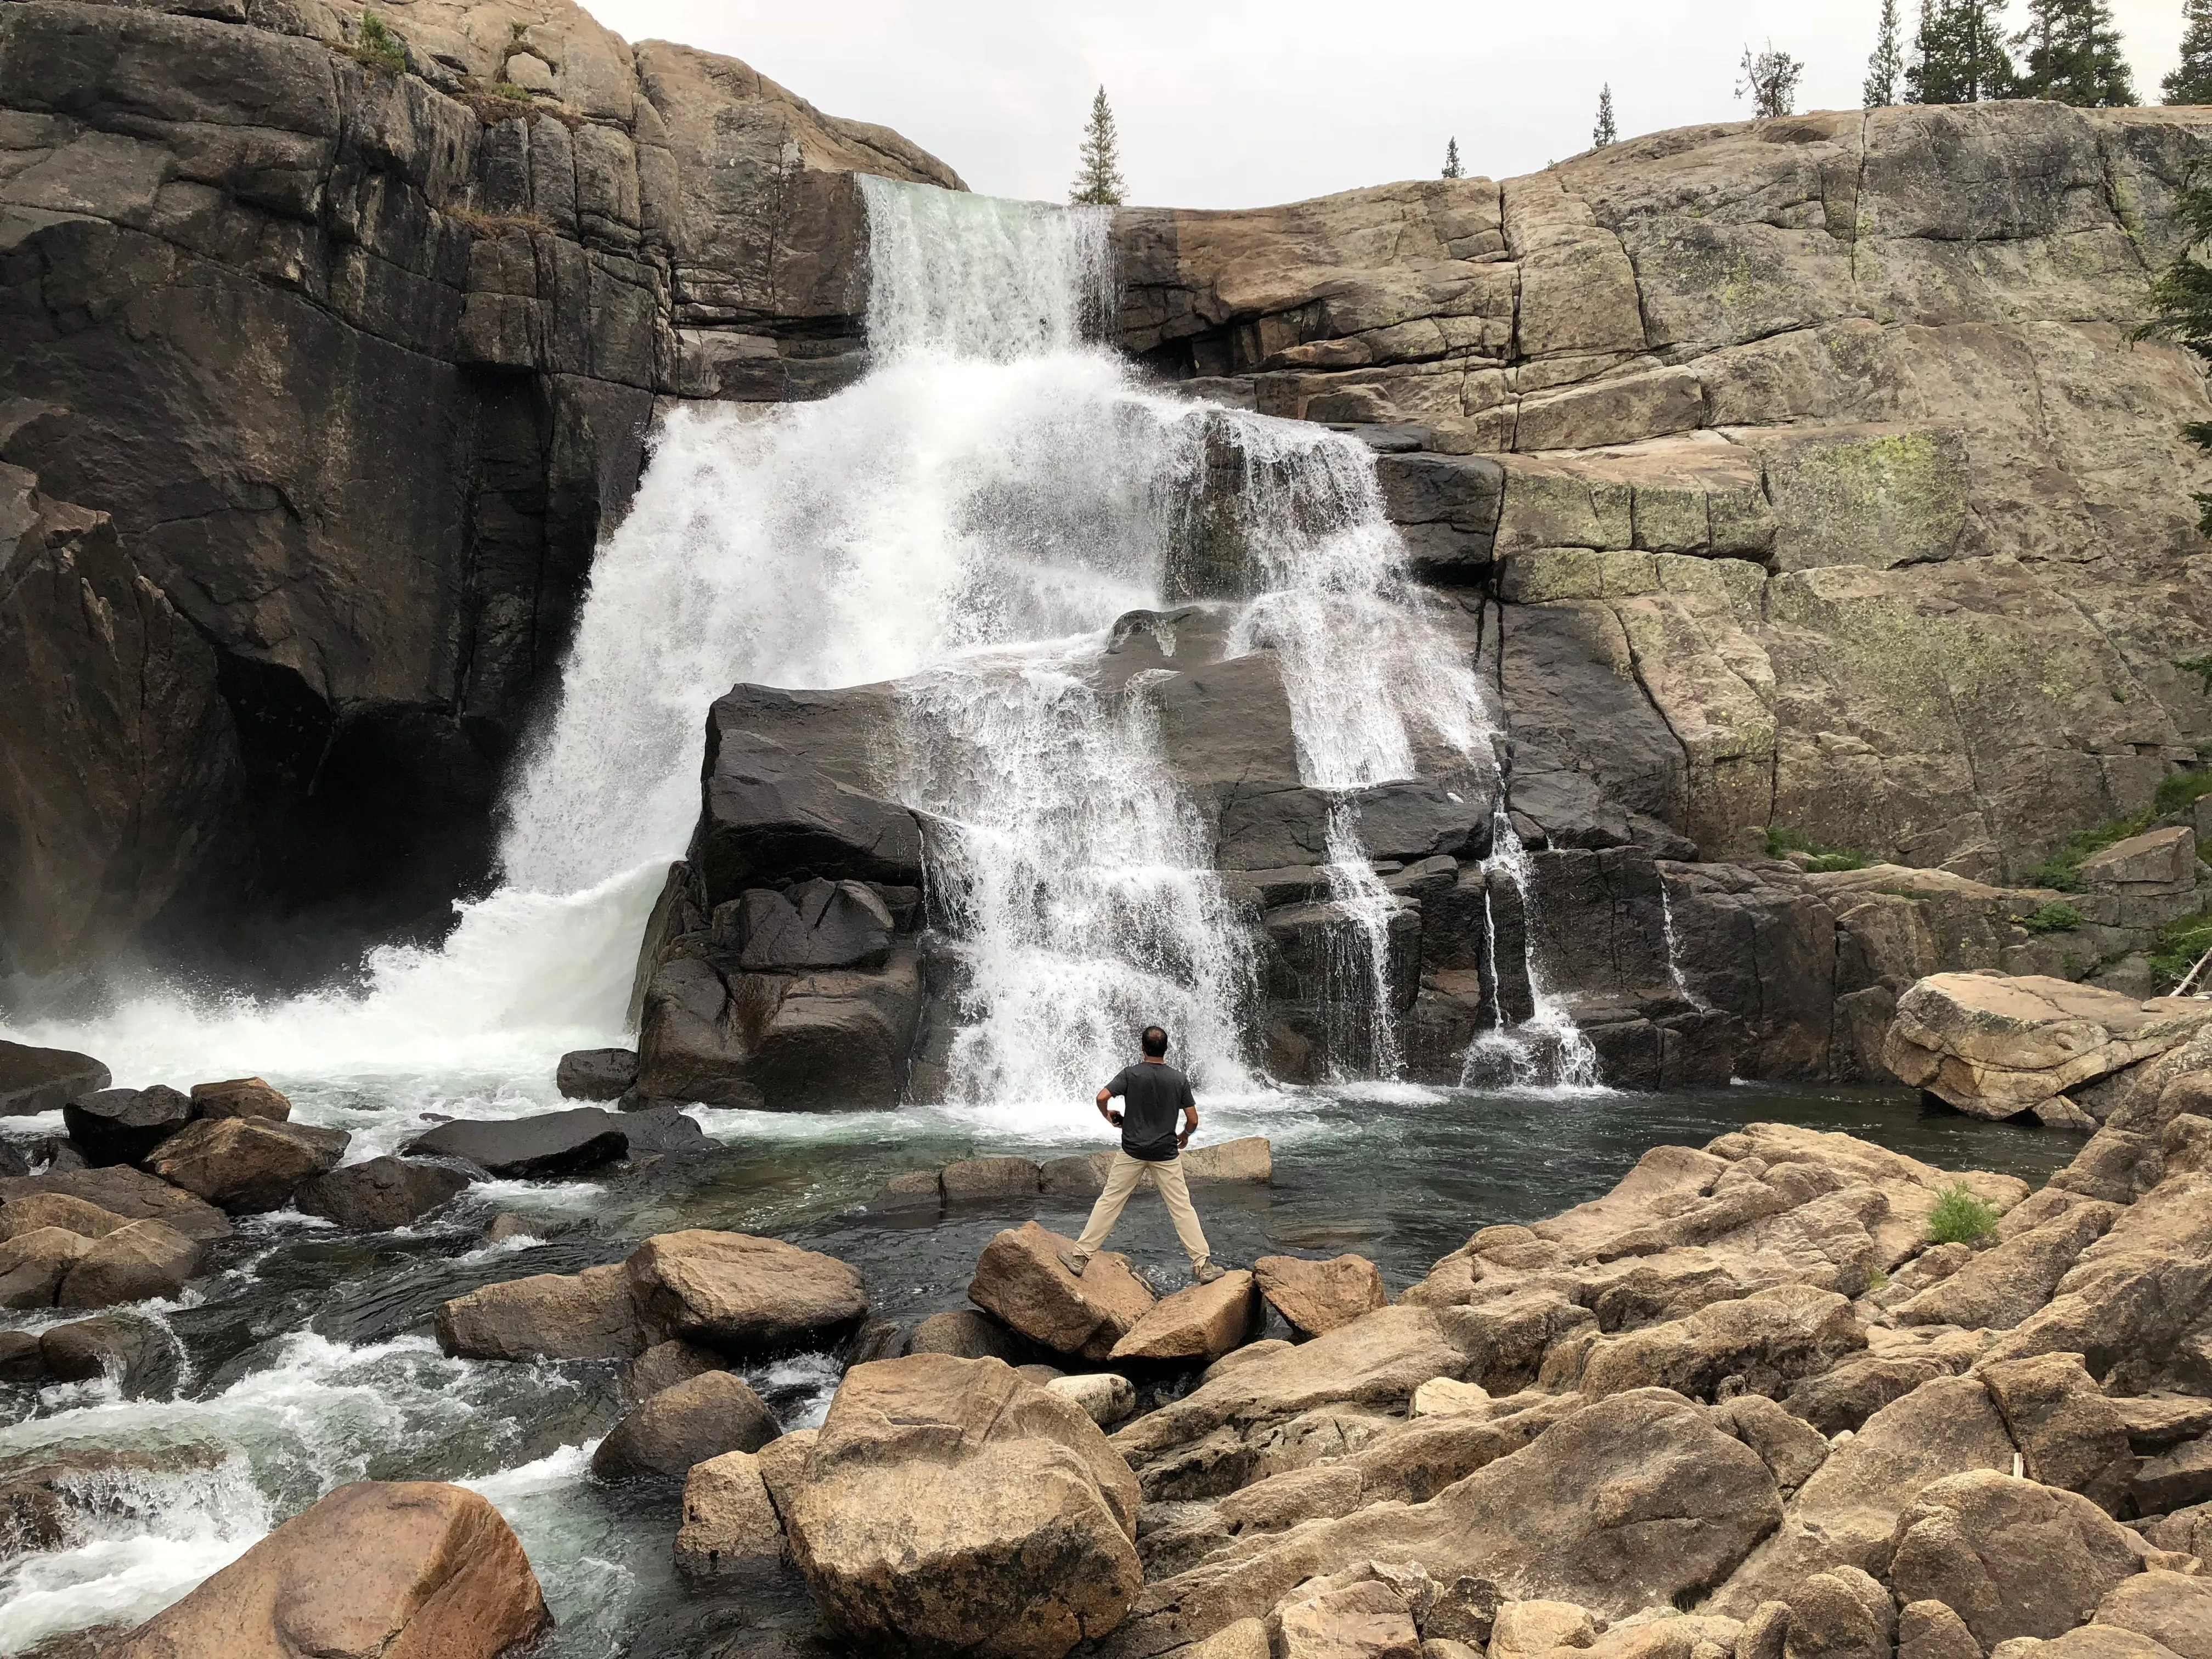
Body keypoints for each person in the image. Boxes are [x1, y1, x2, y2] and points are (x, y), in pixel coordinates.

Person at [1059, 1024, 1223, 1285]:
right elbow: (1193, 1119)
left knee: (1109, 1202)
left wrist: (1109, 1116)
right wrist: (1185, 1136)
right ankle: (1203, 1265)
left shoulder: (1130, 1075)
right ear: (1166, 1049)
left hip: (1132, 1151)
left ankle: (1080, 1258)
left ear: (1143, 1048)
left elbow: (1102, 1097)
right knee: (1182, 1208)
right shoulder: (1178, 1079)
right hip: (1166, 1154)